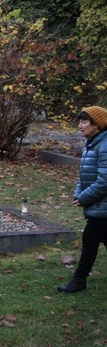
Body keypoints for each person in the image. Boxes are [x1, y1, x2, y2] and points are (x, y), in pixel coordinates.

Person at [57, 106, 107, 293]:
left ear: (97, 125)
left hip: (103, 204)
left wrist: (84, 198)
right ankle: (79, 280)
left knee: (90, 238)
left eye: (84, 122)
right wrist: (78, 193)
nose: (80, 126)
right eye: (80, 121)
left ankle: (79, 280)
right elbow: (84, 175)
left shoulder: (104, 145)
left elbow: (104, 181)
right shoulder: (91, 143)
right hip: (99, 203)